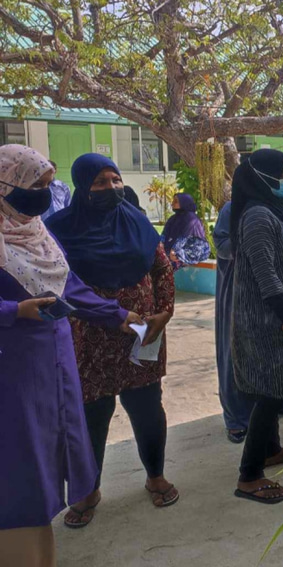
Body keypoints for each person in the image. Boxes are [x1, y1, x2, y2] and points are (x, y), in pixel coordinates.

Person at [0, 145, 140, 566]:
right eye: (35, 186)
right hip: (14, 366)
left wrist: (119, 315)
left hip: (56, 362)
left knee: (49, 452)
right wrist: (15, 311)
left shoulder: (38, 232)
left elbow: (69, 287)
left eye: (48, 184)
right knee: (20, 464)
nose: (44, 194)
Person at [46, 153, 178, 527]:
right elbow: (59, 284)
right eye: (101, 182)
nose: (112, 188)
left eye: (116, 180)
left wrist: (165, 311)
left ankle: (155, 475)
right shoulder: (59, 230)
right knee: (92, 415)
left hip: (144, 334)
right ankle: (89, 489)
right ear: (82, 186)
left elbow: (162, 268)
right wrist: (110, 314)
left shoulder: (136, 220)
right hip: (91, 338)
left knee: (148, 407)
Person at [229, 149, 283, 504]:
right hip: (265, 322)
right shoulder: (258, 216)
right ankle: (249, 475)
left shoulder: (272, 210)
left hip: (275, 318)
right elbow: (265, 274)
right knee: (269, 392)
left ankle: (271, 449)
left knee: (274, 384)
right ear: (263, 177)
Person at [213, 201, 254, 443]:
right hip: (237, 290)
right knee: (234, 351)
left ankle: (264, 412)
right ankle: (236, 418)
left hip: (270, 291)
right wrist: (254, 245)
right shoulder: (232, 209)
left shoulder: (279, 206)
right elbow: (222, 245)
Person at [161, 193, 209, 270]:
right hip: (177, 249)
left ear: (184, 203)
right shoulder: (173, 219)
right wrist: (159, 246)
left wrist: (174, 250)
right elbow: (164, 235)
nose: (172, 203)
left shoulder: (191, 219)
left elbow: (184, 237)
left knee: (170, 261)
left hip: (193, 249)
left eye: (175, 201)